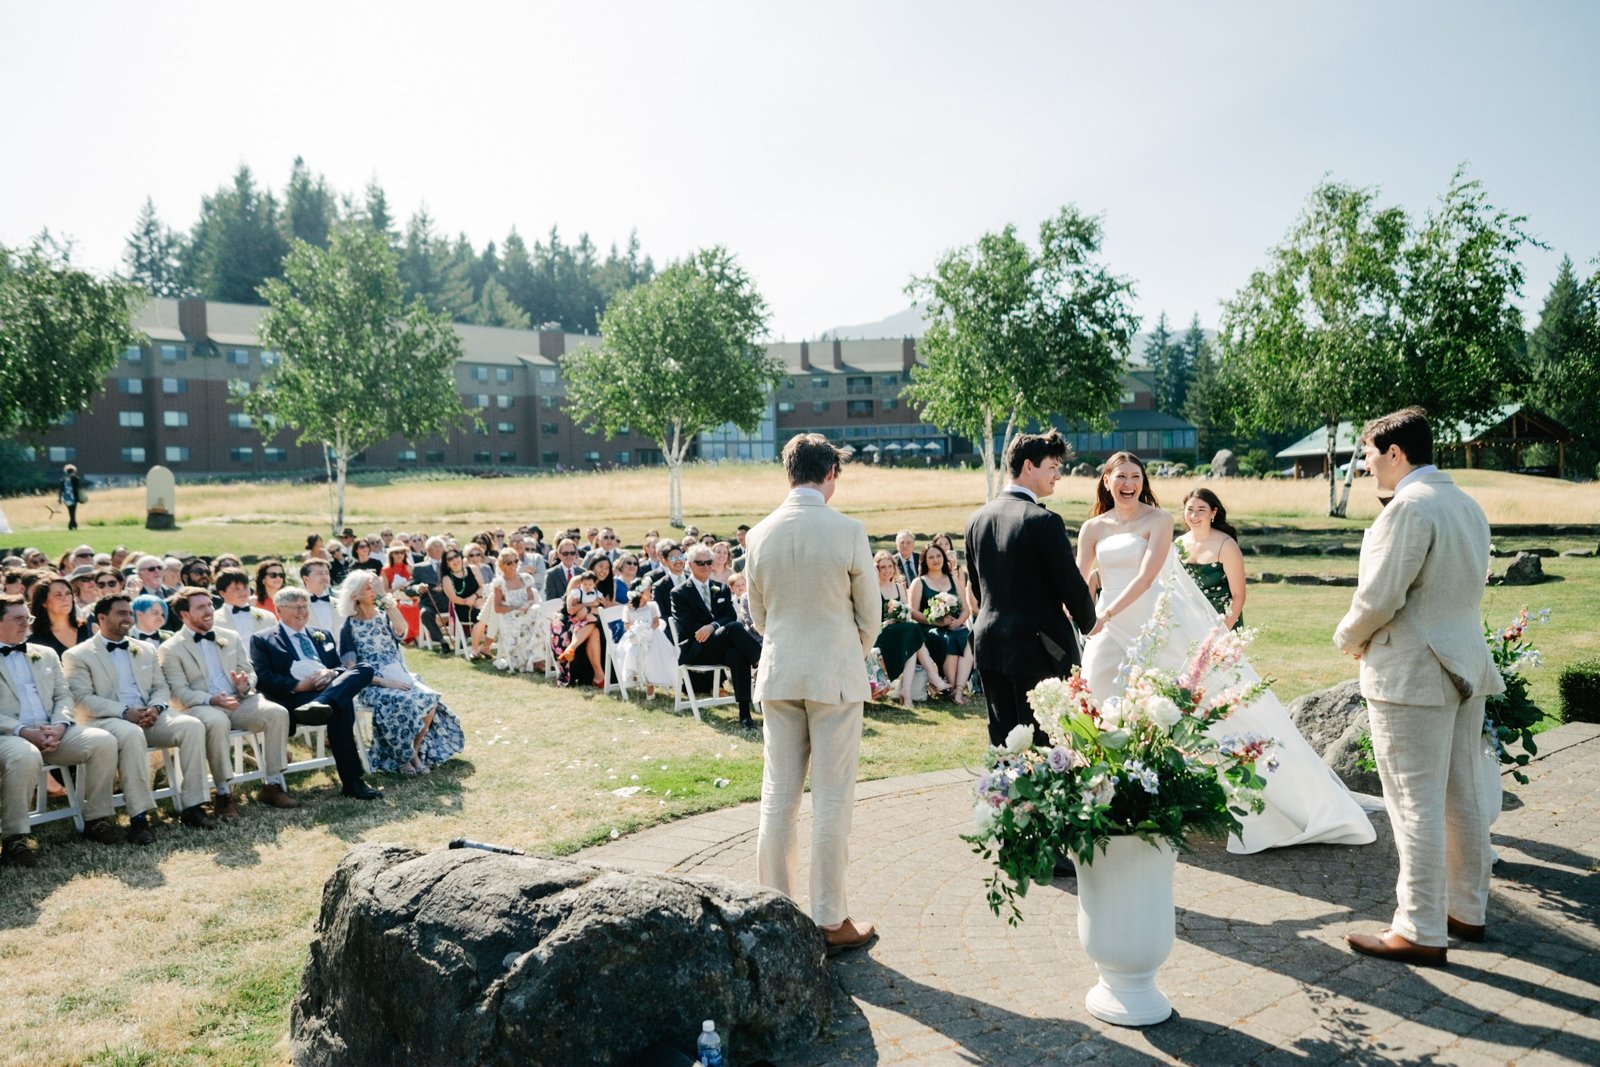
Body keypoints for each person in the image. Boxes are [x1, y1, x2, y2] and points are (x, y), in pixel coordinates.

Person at [1078, 451, 1375, 855]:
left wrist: (1109, 610)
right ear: (1107, 481)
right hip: (1104, 628)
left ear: (1143, 482)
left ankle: (1288, 798)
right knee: (1100, 699)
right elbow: (1079, 579)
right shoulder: (1092, 527)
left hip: (1151, 624)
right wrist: (1080, 613)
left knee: (1195, 709)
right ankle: (1115, 799)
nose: (1128, 483)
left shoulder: (1159, 521)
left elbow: (1148, 577)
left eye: (1136, 476)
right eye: (1121, 476)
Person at [1335, 408, 1501, 966]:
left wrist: (1347, 638)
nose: (1365, 465)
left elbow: (1380, 597)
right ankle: (1467, 910)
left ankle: (1419, 928)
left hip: (1412, 671)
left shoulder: (1407, 508)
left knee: (1413, 803)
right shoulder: (1467, 503)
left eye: (1368, 454)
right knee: (1464, 794)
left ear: (1395, 454)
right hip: (1465, 663)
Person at [747, 433, 881, 954]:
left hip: (779, 671)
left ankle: (771, 914)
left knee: (777, 796)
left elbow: (759, 616)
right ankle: (829, 918)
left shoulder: (758, 534)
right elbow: (870, 615)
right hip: (835, 675)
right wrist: (850, 650)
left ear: (788, 473)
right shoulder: (848, 530)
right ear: (830, 473)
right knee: (831, 798)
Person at [965, 429, 1099, 749]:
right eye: (1052, 467)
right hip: (1037, 649)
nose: (1058, 476)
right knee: (1042, 742)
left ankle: (1004, 799)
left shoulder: (976, 519)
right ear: (1029, 466)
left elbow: (978, 590)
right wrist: (1091, 623)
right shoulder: (1044, 521)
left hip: (989, 642)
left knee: (1003, 742)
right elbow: (1069, 584)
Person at [62, 594, 217, 838]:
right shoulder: (78, 654)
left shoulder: (145, 649)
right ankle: (139, 817)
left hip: (149, 715)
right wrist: (125, 712)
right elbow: (82, 699)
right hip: (105, 719)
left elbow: (160, 687)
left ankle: (193, 805)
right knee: (131, 733)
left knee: (191, 726)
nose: (128, 618)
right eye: (121, 613)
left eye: (130, 613)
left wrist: (155, 708)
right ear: (102, 618)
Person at [0, 592, 125, 862]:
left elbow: (63, 696)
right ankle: (14, 839)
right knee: (24, 754)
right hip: (9, 735)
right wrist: (24, 731)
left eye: (28, 618)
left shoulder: (44, 654)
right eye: (18, 619)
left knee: (102, 741)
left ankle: (96, 819)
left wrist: (59, 724)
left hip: (54, 731)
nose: (26, 624)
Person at [159, 587, 299, 814]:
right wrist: (212, 699)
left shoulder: (230, 637)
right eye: (201, 607)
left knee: (277, 712)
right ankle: (223, 793)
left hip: (240, 700)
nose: (209, 611)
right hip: (201, 706)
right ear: (184, 614)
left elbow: (249, 671)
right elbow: (177, 693)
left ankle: (272, 784)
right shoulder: (170, 648)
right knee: (216, 721)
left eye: (209, 605)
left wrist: (246, 684)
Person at [250, 586, 381, 800]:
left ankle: (323, 701)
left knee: (364, 668)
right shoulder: (263, 639)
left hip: (326, 691)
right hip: (295, 699)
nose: (302, 612)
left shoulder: (322, 635)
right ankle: (353, 782)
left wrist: (331, 673)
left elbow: (339, 667)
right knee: (341, 706)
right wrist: (298, 686)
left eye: (305, 606)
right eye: (296, 607)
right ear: (279, 610)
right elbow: (263, 678)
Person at [338, 571, 464, 775]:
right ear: (354, 596)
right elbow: (352, 668)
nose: (373, 592)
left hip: (400, 675)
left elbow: (401, 628)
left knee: (430, 698)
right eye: (368, 588)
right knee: (402, 701)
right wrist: (383, 682)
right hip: (373, 683)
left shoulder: (384, 614)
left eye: (374, 588)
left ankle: (412, 752)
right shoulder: (348, 627)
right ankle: (406, 758)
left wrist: (384, 597)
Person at [673, 544, 763, 728]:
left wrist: (712, 626)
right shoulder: (680, 592)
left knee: (736, 655)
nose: (706, 566)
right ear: (690, 564)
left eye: (709, 562)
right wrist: (709, 628)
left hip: (720, 645)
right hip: (697, 648)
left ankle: (745, 715)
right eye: (701, 563)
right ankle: (761, 661)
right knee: (734, 628)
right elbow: (685, 624)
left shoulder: (720, 588)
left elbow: (730, 614)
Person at [870, 550, 944, 706]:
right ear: (876, 569)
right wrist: (887, 622)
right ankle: (933, 676)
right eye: (882, 567)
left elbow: (906, 610)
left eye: (890, 566)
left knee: (911, 638)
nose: (887, 570)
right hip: (880, 632)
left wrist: (902, 616)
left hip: (901, 630)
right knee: (913, 632)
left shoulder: (898, 587)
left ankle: (906, 692)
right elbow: (870, 617)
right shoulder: (872, 588)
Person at [908, 542, 975, 703]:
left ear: (944, 558)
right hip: (930, 629)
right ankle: (952, 688)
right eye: (931, 557)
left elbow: (966, 609)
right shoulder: (919, 582)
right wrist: (935, 620)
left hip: (954, 626)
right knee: (949, 640)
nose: (935, 559)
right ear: (925, 561)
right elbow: (913, 612)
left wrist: (958, 621)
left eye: (938, 556)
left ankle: (958, 690)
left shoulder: (952, 579)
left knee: (968, 638)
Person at [1178, 488, 1246, 630]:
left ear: (1213, 512)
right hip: (1187, 624)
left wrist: (1221, 631)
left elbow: (1238, 595)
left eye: (1201, 509)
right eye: (1190, 509)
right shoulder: (1179, 543)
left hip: (1221, 622)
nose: (1194, 515)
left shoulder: (1226, 545)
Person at [618, 578, 677, 697]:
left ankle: (651, 685)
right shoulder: (628, 608)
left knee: (652, 653)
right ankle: (635, 676)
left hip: (652, 634)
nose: (651, 594)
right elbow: (626, 625)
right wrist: (636, 629)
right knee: (632, 650)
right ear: (639, 593)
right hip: (634, 636)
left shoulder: (652, 606)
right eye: (648, 591)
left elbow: (656, 622)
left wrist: (647, 630)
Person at [487, 548, 542, 673]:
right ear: (502, 565)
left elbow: (531, 599)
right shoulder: (499, 583)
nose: (514, 565)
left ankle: (538, 658)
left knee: (538, 612)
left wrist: (526, 606)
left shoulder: (525, 578)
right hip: (510, 618)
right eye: (509, 562)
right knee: (537, 618)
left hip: (527, 612)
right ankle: (534, 660)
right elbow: (497, 607)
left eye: (516, 561)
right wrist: (516, 608)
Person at [551, 570, 603, 688]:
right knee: (593, 627)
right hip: (566, 619)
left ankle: (570, 649)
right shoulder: (576, 583)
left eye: (606, 568)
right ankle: (599, 676)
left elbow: (602, 607)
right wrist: (588, 606)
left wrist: (588, 610)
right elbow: (571, 610)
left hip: (586, 620)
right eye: (599, 567)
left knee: (594, 627)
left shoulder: (597, 589)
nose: (603, 571)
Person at [441, 547, 488, 658]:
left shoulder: (473, 569)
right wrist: (470, 602)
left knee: (489, 614)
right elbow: (454, 599)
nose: (454, 560)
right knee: (483, 617)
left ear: (461, 557)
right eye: (450, 559)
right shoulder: (447, 579)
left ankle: (486, 647)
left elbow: (482, 587)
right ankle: (475, 650)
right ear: (447, 564)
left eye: (456, 556)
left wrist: (474, 597)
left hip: (479, 604)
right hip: (463, 609)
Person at [28, 576, 90, 658]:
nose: (65, 598)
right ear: (44, 602)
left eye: (68, 593)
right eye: (58, 595)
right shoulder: (36, 641)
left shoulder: (88, 629)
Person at [215, 568, 274, 642]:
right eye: (237, 589)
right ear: (222, 593)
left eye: (245, 587)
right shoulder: (214, 620)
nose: (243, 592)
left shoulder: (267, 616)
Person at [650, 540, 689, 625]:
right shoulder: (659, 587)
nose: (678, 561)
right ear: (664, 561)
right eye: (673, 558)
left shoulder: (693, 578)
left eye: (680, 556)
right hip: (675, 630)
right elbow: (660, 615)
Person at [301, 558, 342, 635]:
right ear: (306, 579)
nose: (325, 577)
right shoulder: (297, 605)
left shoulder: (340, 603)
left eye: (327, 573)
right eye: (319, 573)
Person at [58, 464, 85, 530]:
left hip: (66, 498)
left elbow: (61, 489)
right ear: (74, 471)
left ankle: (73, 524)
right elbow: (79, 488)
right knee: (73, 511)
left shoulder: (63, 479)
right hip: (74, 498)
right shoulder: (76, 478)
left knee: (70, 511)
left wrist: (59, 498)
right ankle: (72, 525)